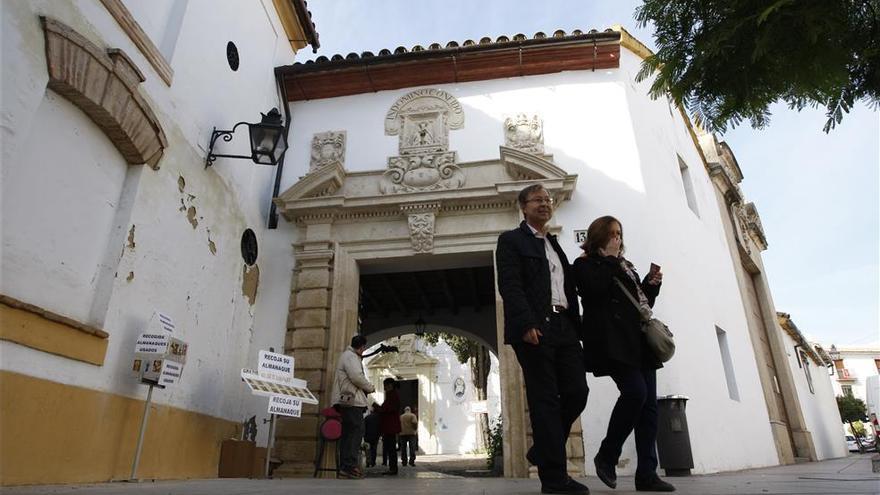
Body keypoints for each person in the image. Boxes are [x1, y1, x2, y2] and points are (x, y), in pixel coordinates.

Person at [496, 184, 590, 495]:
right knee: (545, 401)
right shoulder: (511, 241)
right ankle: (554, 479)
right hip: (536, 327)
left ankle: (542, 449)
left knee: (577, 391)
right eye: (538, 200)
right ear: (523, 207)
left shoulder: (554, 243)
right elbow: (510, 285)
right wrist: (525, 323)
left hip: (564, 326)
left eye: (548, 200)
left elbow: (567, 286)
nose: (545, 204)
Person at [572, 216, 674, 492]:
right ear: (598, 236)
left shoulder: (624, 265)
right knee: (635, 393)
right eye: (612, 233)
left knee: (649, 408)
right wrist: (610, 260)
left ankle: (647, 474)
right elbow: (594, 291)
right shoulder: (584, 264)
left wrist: (651, 284)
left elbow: (640, 302)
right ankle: (607, 454)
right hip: (612, 341)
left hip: (638, 340)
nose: (617, 238)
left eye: (619, 233)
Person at [330, 335, 375, 479]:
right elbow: (356, 376)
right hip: (352, 402)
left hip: (349, 402)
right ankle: (349, 465)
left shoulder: (348, 356)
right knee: (356, 431)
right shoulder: (351, 357)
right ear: (361, 347)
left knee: (349, 433)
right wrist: (370, 387)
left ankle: (346, 467)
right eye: (363, 348)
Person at [378, 377, 402, 475]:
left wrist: (376, 407)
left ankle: (393, 468)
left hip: (390, 426)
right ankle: (392, 467)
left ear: (390, 385)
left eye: (385, 385)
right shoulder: (391, 395)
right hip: (390, 426)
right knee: (390, 448)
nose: (384, 388)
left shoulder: (393, 395)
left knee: (391, 448)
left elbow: (387, 409)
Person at [364, 403, 381, 467]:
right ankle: (373, 462)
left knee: (367, 449)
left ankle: (368, 461)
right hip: (375, 435)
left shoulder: (367, 417)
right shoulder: (378, 418)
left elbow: (364, 426)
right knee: (374, 449)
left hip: (367, 435)